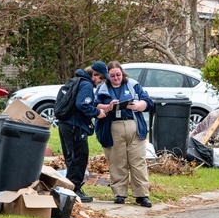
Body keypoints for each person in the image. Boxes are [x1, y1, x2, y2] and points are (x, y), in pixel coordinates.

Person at [93, 60, 154, 207]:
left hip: (133, 126)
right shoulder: (102, 88)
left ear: (122, 73)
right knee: (117, 161)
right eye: (112, 76)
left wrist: (137, 106)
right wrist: (108, 107)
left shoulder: (133, 85)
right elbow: (94, 105)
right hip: (113, 126)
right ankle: (119, 194)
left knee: (138, 161)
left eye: (118, 75)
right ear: (108, 76)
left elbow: (148, 102)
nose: (116, 78)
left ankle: (142, 195)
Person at [57, 64, 106, 203]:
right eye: (100, 78)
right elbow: (82, 104)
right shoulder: (86, 85)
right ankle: (74, 189)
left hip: (65, 124)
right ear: (94, 74)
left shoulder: (75, 80)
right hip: (75, 126)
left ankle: (70, 189)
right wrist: (97, 113)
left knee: (71, 157)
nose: (100, 82)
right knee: (79, 157)